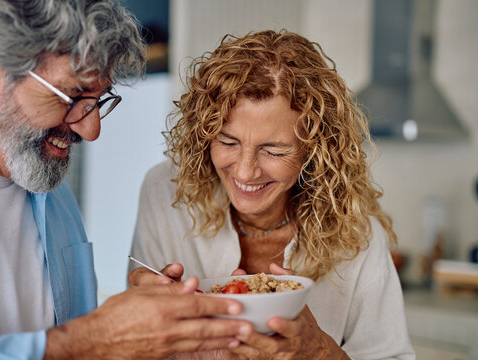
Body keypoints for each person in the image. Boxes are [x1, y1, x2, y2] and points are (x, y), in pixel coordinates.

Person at [0, 1, 254, 359]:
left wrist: (134, 327)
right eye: (72, 96)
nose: (91, 130)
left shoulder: (49, 188)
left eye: (98, 100)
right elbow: (85, 342)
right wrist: (92, 340)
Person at [129, 30, 416, 359]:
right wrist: (142, 316)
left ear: (315, 149)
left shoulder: (358, 236)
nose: (245, 172)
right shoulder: (164, 193)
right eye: (228, 142)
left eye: (274, 151)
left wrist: (319, 352)